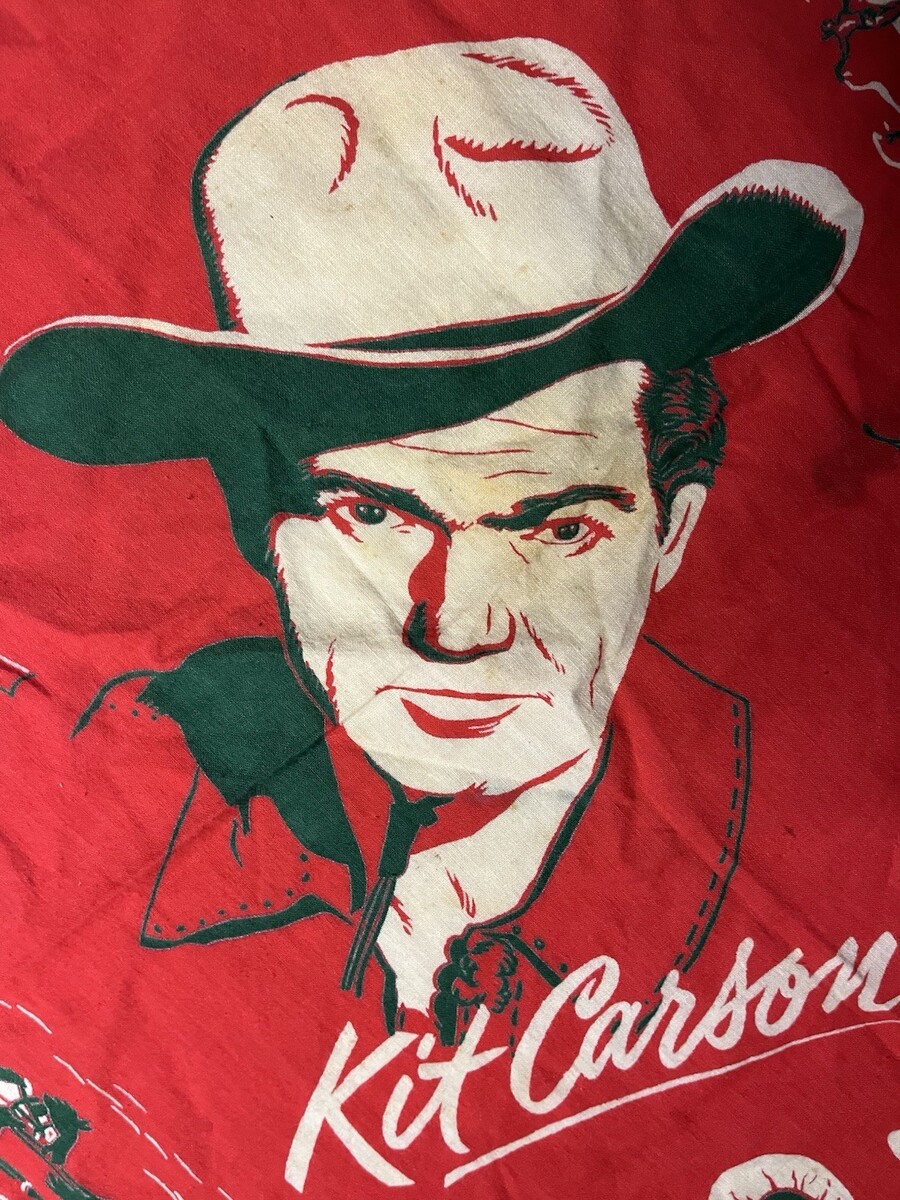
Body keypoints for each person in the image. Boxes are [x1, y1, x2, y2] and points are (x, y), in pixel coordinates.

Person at [0, 38, 862, 1045]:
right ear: (261, 531)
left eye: (559, 526)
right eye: (371, 515)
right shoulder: (118, 754)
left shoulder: (838, 816)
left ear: (672, 531)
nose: (455, 624)